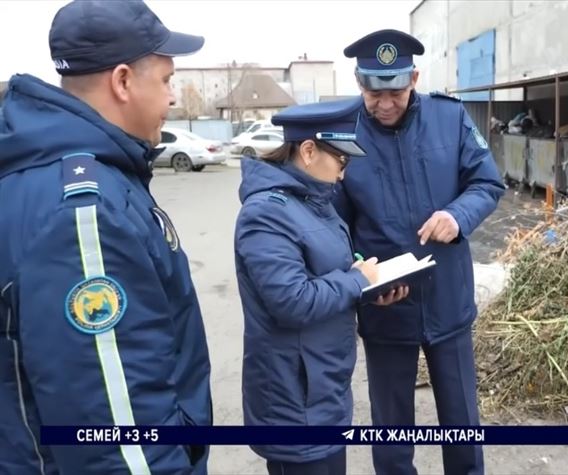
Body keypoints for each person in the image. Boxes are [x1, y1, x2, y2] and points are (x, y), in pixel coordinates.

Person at [0, 1, 212, 473]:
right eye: (165, 80)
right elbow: (116, 431)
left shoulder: (71, 174)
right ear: (122, 82)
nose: (172, 98)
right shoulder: (83, 210)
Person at [335, 30, 506, 475]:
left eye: (395, 90)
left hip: (448, 300)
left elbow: (487, 183)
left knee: (462, 425)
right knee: (392, 434)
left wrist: (457, 216)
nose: (385, 103)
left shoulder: (449, 119)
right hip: (386, 307)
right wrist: (356, 271)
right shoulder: (341, 131)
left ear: (414, 77)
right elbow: (331, 222)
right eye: (374, 92)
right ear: (359, 82)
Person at [235, 98, 409, 475]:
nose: (343, 174)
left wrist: (367, 287)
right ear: (309, 151)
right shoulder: (266, 213)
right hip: (293, 399)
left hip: (324, 391)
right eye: (341, 162)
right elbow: (292, 300)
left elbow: (329, 275)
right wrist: (355, 280)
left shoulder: (316, 202)